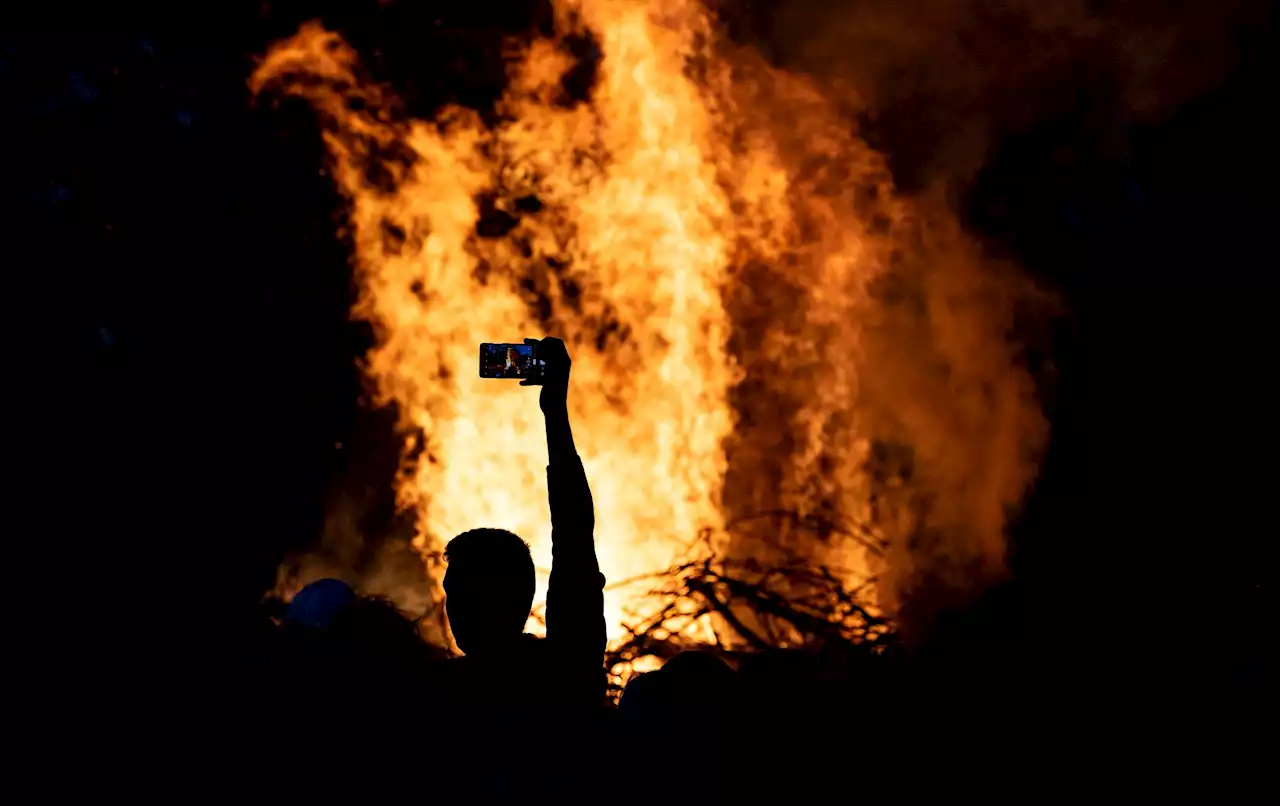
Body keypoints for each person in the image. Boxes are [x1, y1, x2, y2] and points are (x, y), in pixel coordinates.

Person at [438, 336, 605, 799]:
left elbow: (573, 541)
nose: (453, 607)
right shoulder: (567, 671)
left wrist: (555, 415)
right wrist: (554, 413)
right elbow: (574, 544)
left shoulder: (439, 698)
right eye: (451, 591)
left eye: (463, 592)